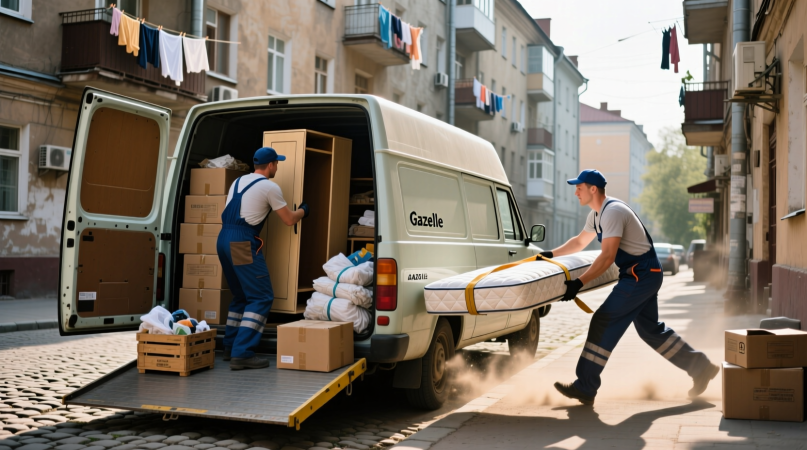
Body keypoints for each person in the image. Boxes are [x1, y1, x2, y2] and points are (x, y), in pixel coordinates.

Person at [541, 169, 718, 405]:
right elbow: (579, 242)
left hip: (640, 275)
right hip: (642, 273)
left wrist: (578, 283)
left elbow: (607, 257)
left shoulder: (612, 212)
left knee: (603, 320)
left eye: (579, 187)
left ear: (593, 189)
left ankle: (585, 385)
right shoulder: (596, 215)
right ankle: (701, 367)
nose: (575, 192)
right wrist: (550, 255)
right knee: (650, 330)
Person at [217, 147, 309, 370]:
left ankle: (230, 347)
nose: (277, 167)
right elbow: (288, 219)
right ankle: (243, 353)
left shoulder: (237, 182)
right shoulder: (270, 186)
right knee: (261, 296)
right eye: (276, 163)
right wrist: (304, 211)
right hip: (240, 241)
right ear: (270, 165)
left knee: (240, 295)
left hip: (223, 239)